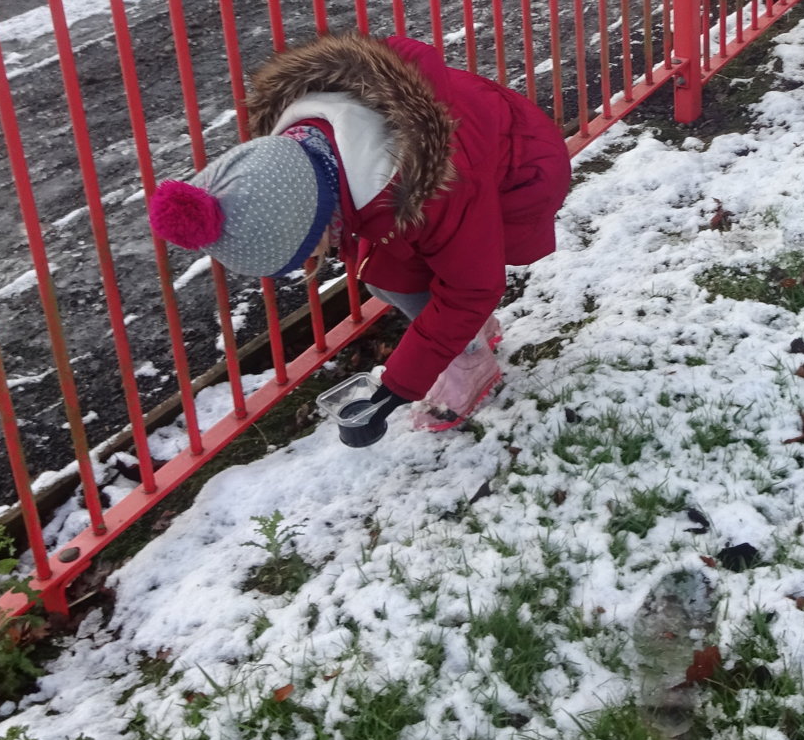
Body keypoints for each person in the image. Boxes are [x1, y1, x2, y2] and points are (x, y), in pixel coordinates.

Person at [146, 32, 572, 447]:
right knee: (384, 277)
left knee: (439, 282)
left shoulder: (438, 183)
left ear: (315, 213)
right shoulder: (304, 153)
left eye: (305, 249)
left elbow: (470, 287)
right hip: (447, 180)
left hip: (518, 176)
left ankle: (470, 359)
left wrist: (395, 391)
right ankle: (469, 335)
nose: (308, 260)